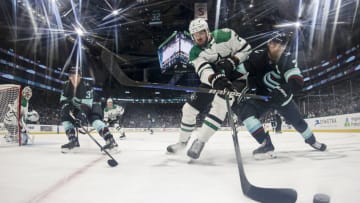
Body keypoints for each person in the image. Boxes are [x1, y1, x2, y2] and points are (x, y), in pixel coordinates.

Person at [166, 18, 251, 159]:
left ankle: (200, 142)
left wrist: (232, 61)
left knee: (220, 104)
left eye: (201, 32)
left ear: (207, 31)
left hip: (237, 78)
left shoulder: (226, 35)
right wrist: (214, 79)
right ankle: (182, 142)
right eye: (195, 34)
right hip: (214, 80)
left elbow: (246, 49)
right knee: (188, 109)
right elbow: (203, 70)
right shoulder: (194, 52)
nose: (198, 36)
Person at [236, 32, 326, 159]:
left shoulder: (287, 59)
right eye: (274, 43)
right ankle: (266, 144)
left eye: (281, 44)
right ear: (269, 43)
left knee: (298, 122)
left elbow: (296, 80)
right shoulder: (257, 57)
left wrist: (282, 90)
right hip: (263, 97)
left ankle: (312, 141)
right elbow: (238, 70)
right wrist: (223, 75)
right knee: (246, 114)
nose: (278, 46)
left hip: (283, 97)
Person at [60, 66, 118, 152]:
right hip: (78, 106)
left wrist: (81, 117)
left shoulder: (86, 86)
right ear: (69, 77)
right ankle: (73, 140)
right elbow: (63, 101)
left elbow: (86, 106)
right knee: (65, 116)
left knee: (94, 120)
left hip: (93, 104)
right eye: (72, 76)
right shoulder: (66, 85)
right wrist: (67, 109)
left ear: (80, 76)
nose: (74, 79)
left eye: (77, 76)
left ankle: (110, 140)